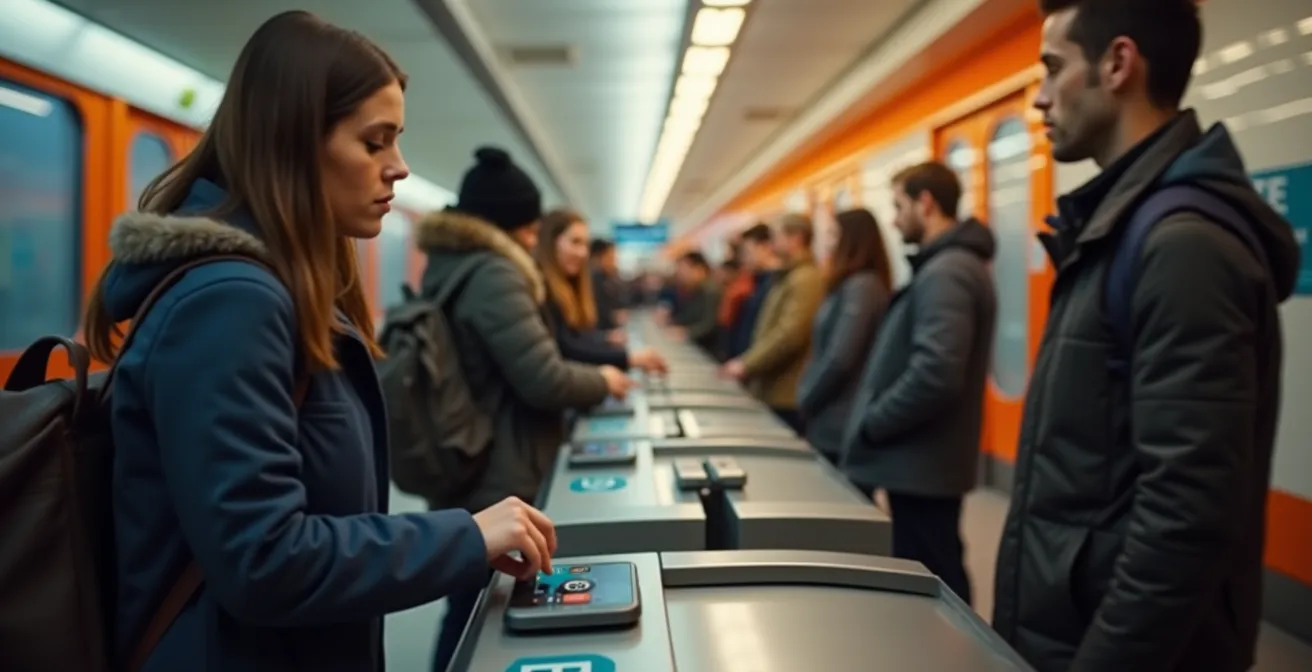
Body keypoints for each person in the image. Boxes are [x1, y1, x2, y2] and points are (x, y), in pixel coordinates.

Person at [82, 12, 556, 672]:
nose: (399, 168)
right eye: (375, 143)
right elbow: (263, 557)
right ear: (295, 143)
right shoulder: (230, 305)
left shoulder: (281, 293)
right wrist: (465, 537)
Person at [992, 2, 1299, 671]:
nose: (1039, 99)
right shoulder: (1121, 228)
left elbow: (1187, 512)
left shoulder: (1180, 245)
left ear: (1118, 63)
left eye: (1052, 68)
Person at [415, 147, 632, 671]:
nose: (534, 242)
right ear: (508, 226)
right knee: (484, 607)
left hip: (467, 452)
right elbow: (542, 377)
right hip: (500, 465)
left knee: (470, 609)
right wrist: (604, 377)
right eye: (531, 230)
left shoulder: (450, 267)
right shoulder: (494, 274)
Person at [840, 162, 997, 607]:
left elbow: (936, 373)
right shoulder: (948, 267)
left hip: (923, 464)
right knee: (933, 569)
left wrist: (873, 423)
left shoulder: (947, 272)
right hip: (921, 461)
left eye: (898, 206)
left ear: (925, 203)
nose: (893, 220)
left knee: (935, 581)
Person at [796, 208, 893, 464]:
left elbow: (841, 357)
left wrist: (807, 398)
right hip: (834, 413)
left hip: (839, 417)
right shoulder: (858, 284)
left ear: (852, 240)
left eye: (833, 234)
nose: (828, 242)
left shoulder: (861, 287)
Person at [721, 214, 824, 434]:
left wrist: (747, 364)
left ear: (796, 238)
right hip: (773, 386)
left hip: (786, 392)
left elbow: (790, 333)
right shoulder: (788, 276)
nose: (773, 243)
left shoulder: (805, 278)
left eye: (777, 236)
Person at [536, 208, 667, 373]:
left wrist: (605, 339)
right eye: (575, 242)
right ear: (551, 242)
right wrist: (627, 358)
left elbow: (576, 337)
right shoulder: (541, 289)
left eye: (585, 244)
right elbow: (566, 348)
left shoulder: (569, 286)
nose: (583, 252)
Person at [668, 251, 721, 354]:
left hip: (709, 351)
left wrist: (686, 333)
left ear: (699, 269)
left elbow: (710, 324)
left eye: (684, 269)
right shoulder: (695, 290)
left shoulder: (711, 291)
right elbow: (688, 316)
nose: (680, 274)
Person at [588, 238, 628, 331]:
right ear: (598, 257)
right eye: (611, 258)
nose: (614, 262)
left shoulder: (609, 279)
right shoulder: (592, 280)